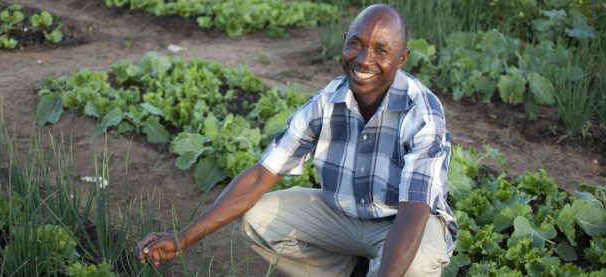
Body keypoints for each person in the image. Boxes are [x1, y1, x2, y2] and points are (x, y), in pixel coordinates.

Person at [136, 4, 457, 276]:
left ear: (402, 60)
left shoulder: (421, 111)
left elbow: (414, 210)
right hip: (343, 219)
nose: (364, 59)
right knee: (258, 219)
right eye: (356, 44)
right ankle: (351, 270)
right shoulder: (326, 102)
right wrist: (182, 239)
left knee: (416, 263)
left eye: (381, 50)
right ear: (344, 43)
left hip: (400, 223)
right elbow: (260, 176)